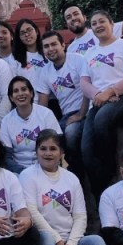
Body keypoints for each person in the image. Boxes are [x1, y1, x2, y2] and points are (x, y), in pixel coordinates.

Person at [79, 9, 123, 202]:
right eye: (94, 23)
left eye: (101, 21)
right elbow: (84, 83)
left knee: (103, 119)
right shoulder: (89, 53)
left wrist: (110, 92)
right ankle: (101, 199)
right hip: (99, 101)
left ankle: (112, 170)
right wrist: (99, 95)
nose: (98, 25)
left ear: (112, 24)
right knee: (86, 149)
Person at [36, 30, 87, 177]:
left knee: (71, 134)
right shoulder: (45, 71)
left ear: (63, 45)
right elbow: (42, 105)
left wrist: (81, 114)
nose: (50, 49)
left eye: (54, 44)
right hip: (67, 116)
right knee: (50, 140)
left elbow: (87, 89)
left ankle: (78, 175)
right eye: (46, 46)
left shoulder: (78, 60)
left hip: (86, 110)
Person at [0, 76, 60, 173]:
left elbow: (57, 147)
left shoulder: (46, 114)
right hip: (18, 172)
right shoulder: (6, 121)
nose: (20, 94)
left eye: (24, 89)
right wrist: (25, 173)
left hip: (45, 169)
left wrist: (40, 171)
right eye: (16, 91)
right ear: (11, 98)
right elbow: (7, 157)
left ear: (31, 93)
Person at [11, 19, 48, 84]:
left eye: (29, 30)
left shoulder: (47, 52)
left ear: (36, 31)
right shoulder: (15, 58)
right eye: (22, 33)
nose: (27, 34)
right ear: (19, 37)